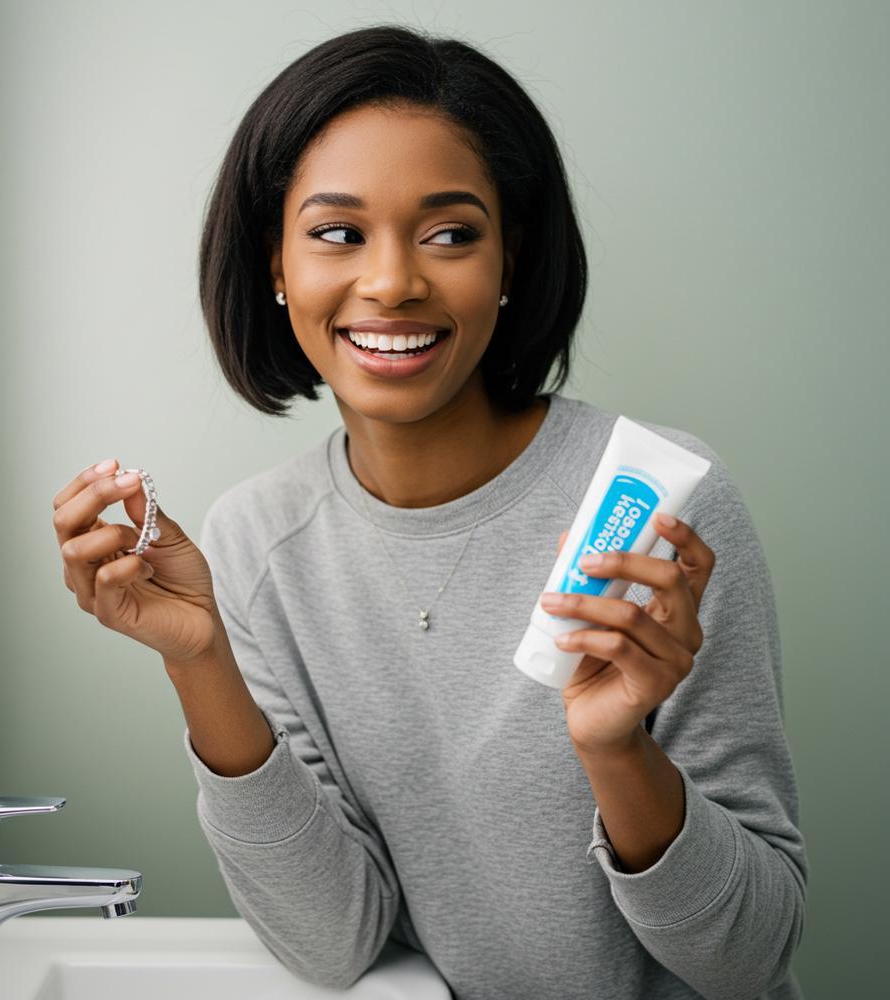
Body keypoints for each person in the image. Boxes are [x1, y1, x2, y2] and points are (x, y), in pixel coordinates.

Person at [52, 24, 808, 1000]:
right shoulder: (254, 543)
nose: (393, 281)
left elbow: (750, 958)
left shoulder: (663, 509)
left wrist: (616, 751)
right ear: (276, 265)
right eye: (336, 233)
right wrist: (201, 664)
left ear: (509, 260)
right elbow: (333, 944)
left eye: (450, 233)